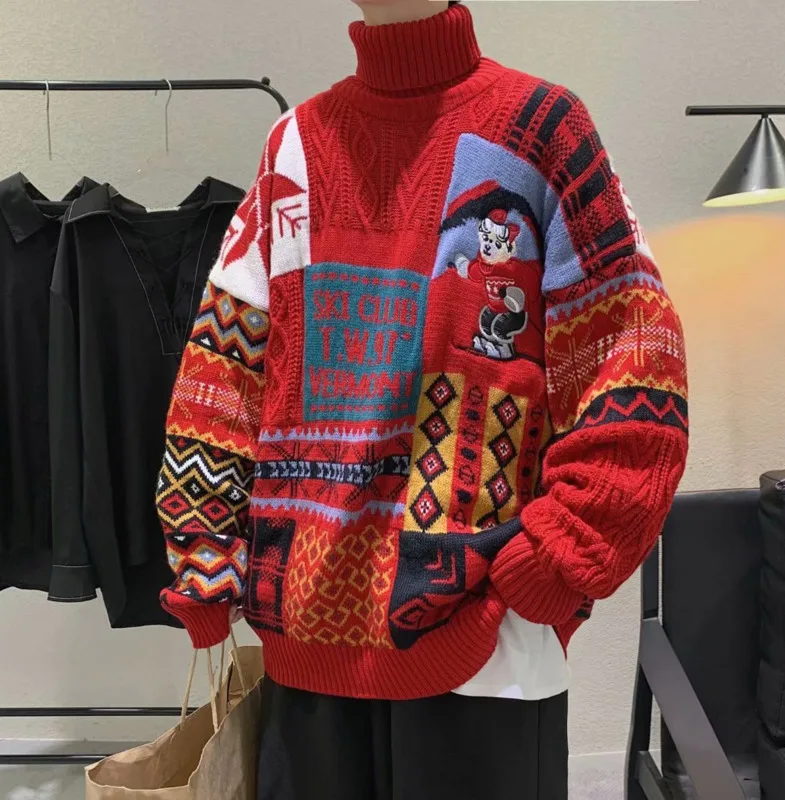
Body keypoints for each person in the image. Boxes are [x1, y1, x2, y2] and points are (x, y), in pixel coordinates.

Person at [155, 1, 689, 798]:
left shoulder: (541, 131)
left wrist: (559, 555)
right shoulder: (293, 146)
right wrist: (204, 556)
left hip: (489, 647)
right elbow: (225, 370)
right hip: (305, 647)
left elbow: (634, 360)